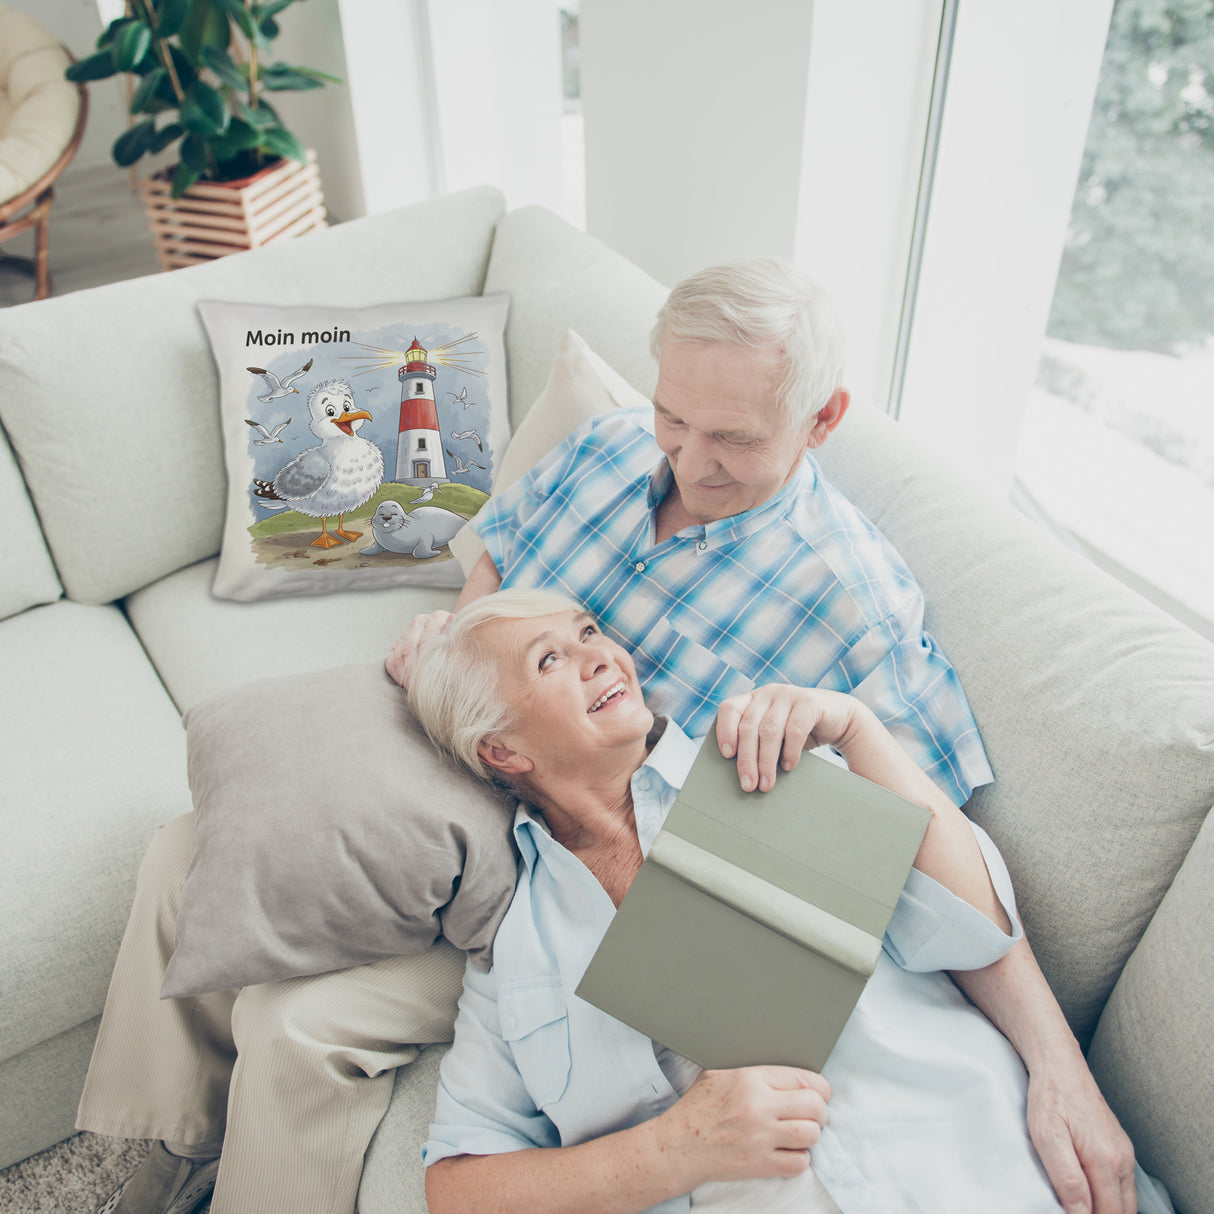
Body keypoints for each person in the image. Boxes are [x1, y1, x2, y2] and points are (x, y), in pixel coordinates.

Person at [388, 259, 1137, 1213]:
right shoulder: (608, 451)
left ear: (822, 420)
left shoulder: (833, 655)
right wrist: (462, 657)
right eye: (674, 418)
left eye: (732, 438)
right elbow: (499, 556)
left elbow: (944, 885)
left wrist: (1058, 1069)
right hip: (494, 832)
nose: (689, 462)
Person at [407, 589, 1161, 1214]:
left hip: (986, 1167)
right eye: (551, 659)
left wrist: (859, 731)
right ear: (502, 750)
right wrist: (672, 1150)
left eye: (589, 632)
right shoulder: (516, 951)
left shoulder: (762, 763)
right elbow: (458, 1187)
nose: (601, 655)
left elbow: (973, 929)